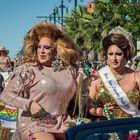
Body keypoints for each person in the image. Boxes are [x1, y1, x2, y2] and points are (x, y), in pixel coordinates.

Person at [0, 22, 88, 140]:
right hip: (34, 123)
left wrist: (84, 85)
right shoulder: (28, 70)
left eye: (47, 48)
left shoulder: (70, 71)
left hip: (63, 123)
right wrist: (29, 104)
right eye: (39, 47)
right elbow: (5, 95)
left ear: (57, 49)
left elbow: (80, 103)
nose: (41, 51)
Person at [89, 26, 140, 139]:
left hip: (131, 130)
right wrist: (99, 111)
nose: (114, 58)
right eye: (110, 54)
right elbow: (89, 105)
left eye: (119, 54)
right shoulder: (99, 77)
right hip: (104, 130)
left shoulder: (136, 77)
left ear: (125, 54)